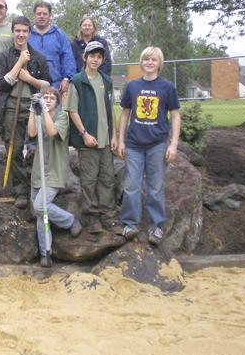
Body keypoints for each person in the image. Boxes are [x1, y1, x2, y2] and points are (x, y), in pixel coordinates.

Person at [117, 46, 181, 245]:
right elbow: (125, 113)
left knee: (155, 187)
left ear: (159, 64)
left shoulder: (167, 87)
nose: (150, 63)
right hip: (135, 144)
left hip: (158, 144)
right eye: (146, 59)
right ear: (142, 62)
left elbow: (175, 115)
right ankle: (129, 224)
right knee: (131, 186)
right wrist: (121, 140)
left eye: (154, 60)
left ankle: (157, 227)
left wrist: (174, 144)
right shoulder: (132, 86)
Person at [0, 16, 51, 210]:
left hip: (34, 107)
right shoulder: (3, 57)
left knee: (42, 147)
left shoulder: (39, 58)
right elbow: (2, 83)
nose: (20, 34)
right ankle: (21, 191)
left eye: (24, 31)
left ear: (29, 33)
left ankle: (43, 186)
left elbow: (47, 86)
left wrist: (29, 79)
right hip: (11, 107)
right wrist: (19, 63)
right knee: (15, 148)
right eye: (17, 31)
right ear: (12, 32)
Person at [65, 41, 120, 234]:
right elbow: (72, 110)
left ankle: (109, 216)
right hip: (88, 141)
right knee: (89, 180)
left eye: (99, 56)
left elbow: (110, 108)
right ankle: (92, 217)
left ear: (102, 59)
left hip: (105, 140)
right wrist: (84, 134)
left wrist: (114, 135)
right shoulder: (77, 81)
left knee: (107, 178)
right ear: (85, 57)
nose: (95, 59)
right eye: (92, 56)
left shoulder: (106, 80)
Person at [27, 87, 82, 268]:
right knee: (39, 214)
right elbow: (32, 134)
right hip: (39, 170)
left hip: (55, 169)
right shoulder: (38, 114)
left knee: (41, 205)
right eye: (45, 97)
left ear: (57, 102)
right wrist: (32, 110)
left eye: (52, 98)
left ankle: (70, 220)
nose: (48, 99)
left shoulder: (62, 117)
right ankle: (46, 253)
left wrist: (43, 110)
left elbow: (52, 132)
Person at [28, 1, 76, 95]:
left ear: (50, 16)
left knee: (54, 110)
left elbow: (68, 57)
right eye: (39, 13)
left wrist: (66, 78)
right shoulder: (27, 34)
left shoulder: (59, 34)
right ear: (34, 15)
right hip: (30, 85)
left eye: (45, 14)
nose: (41, 16)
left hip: (54, 86)